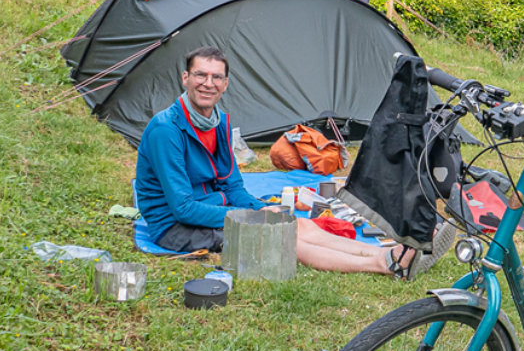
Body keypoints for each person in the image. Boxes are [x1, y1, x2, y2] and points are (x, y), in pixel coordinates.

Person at [134, 46, 423, 277]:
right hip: (175, 227)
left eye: (216, 77)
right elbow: (182, 208)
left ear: (226, 84)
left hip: (212, 207)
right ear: (185, 78)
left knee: (297, 224)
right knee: (279, 237)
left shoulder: (219, 122)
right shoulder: (166, 130)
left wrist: (260, 208)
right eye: (200, 75)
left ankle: (387, 253)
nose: (208, 84)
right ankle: (384, 265)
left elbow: (233, 185)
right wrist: (248, 215)